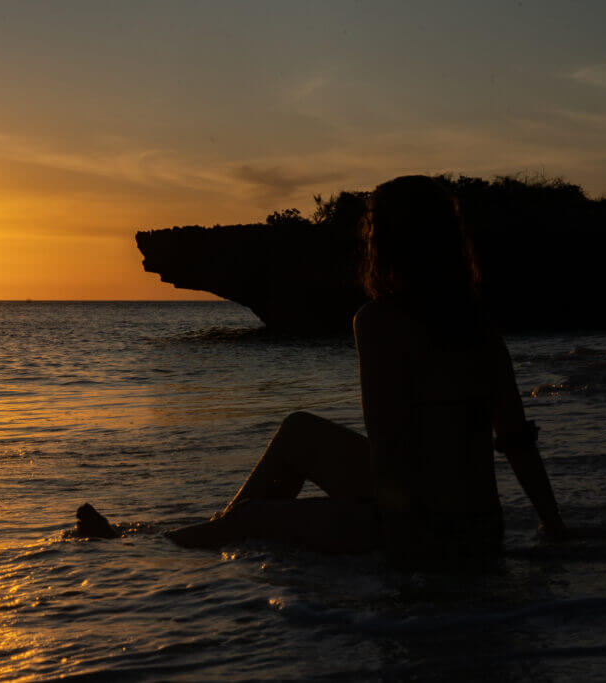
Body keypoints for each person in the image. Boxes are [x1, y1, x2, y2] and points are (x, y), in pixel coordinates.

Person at [79, 175, 566, 571]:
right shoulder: (477, 325)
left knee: (252, 520)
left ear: (388, 244)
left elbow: (391, 450)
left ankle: (134, 551)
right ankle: (200, 528)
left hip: (420, 529)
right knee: (298, 431)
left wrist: (397, 551)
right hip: (481, 527)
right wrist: (553, 527)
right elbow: (516, 440)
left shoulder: (379, 321)